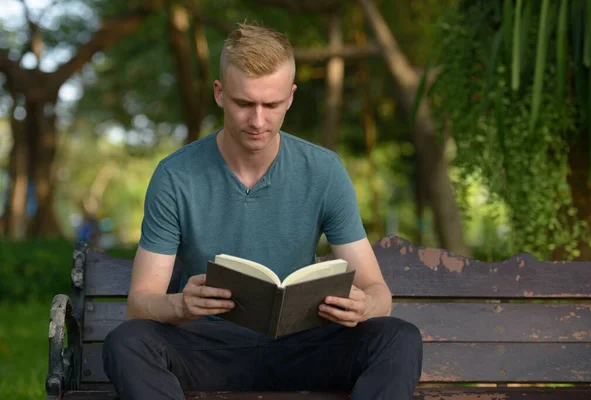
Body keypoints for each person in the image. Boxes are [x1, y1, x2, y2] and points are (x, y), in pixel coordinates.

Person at [102, 22, 422, 400]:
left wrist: (363, 305)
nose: (257, 121)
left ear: (290, 97)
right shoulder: (176, 176)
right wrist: (179, 305)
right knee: (127, 343)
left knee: (399, 339)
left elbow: (378, 292)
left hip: (304, 348)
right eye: (244, 103)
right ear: (220, 94)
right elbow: (139, 304)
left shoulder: (324, 171)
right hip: (209, 349)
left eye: (271, 105)